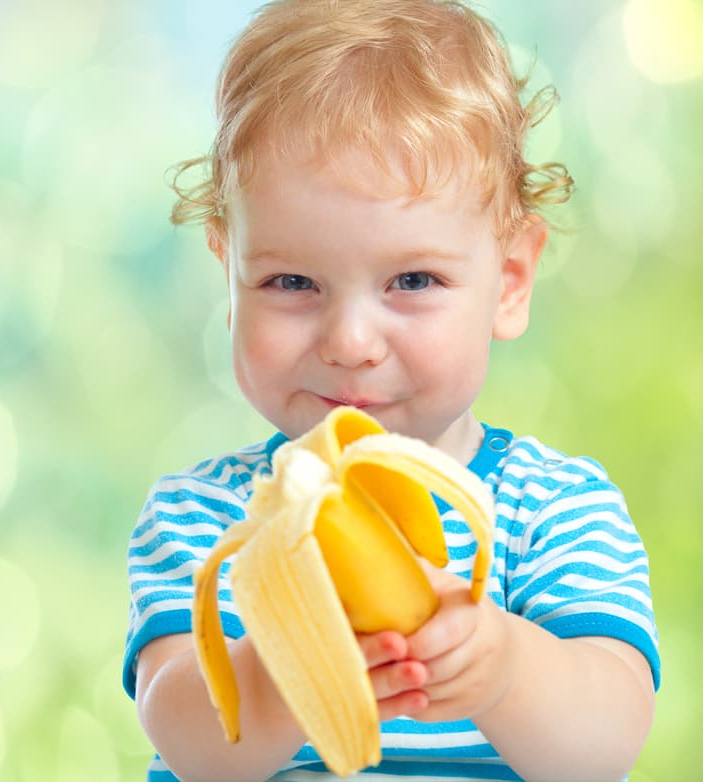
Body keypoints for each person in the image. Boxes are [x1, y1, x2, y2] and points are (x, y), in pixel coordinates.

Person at [122, 1, 660, 779]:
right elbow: (190, 744)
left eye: (412, 280)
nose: (349, 343)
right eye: (291, 281)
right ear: (228, 274)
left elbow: (605, 745)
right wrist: (290, 665)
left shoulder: (554, 511)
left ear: (508, 282)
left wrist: (504, 665)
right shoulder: (207, 521)